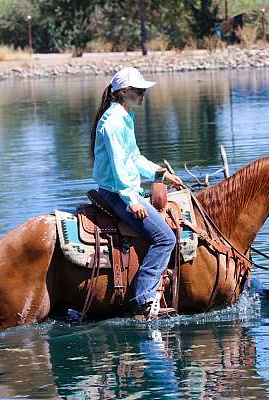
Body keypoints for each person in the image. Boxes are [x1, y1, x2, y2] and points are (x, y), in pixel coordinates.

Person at [89, 67, 183, 319]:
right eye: (139, 90)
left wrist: (161, 175)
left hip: (122, 190)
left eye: (143, 90)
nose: (143, 94)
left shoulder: (125, 117)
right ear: (123, 92)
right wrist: (132, 199)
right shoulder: (112, 122)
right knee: (165, 238)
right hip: (117, 194)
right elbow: (120, 166)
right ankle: (144, 299)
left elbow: (134, 158)